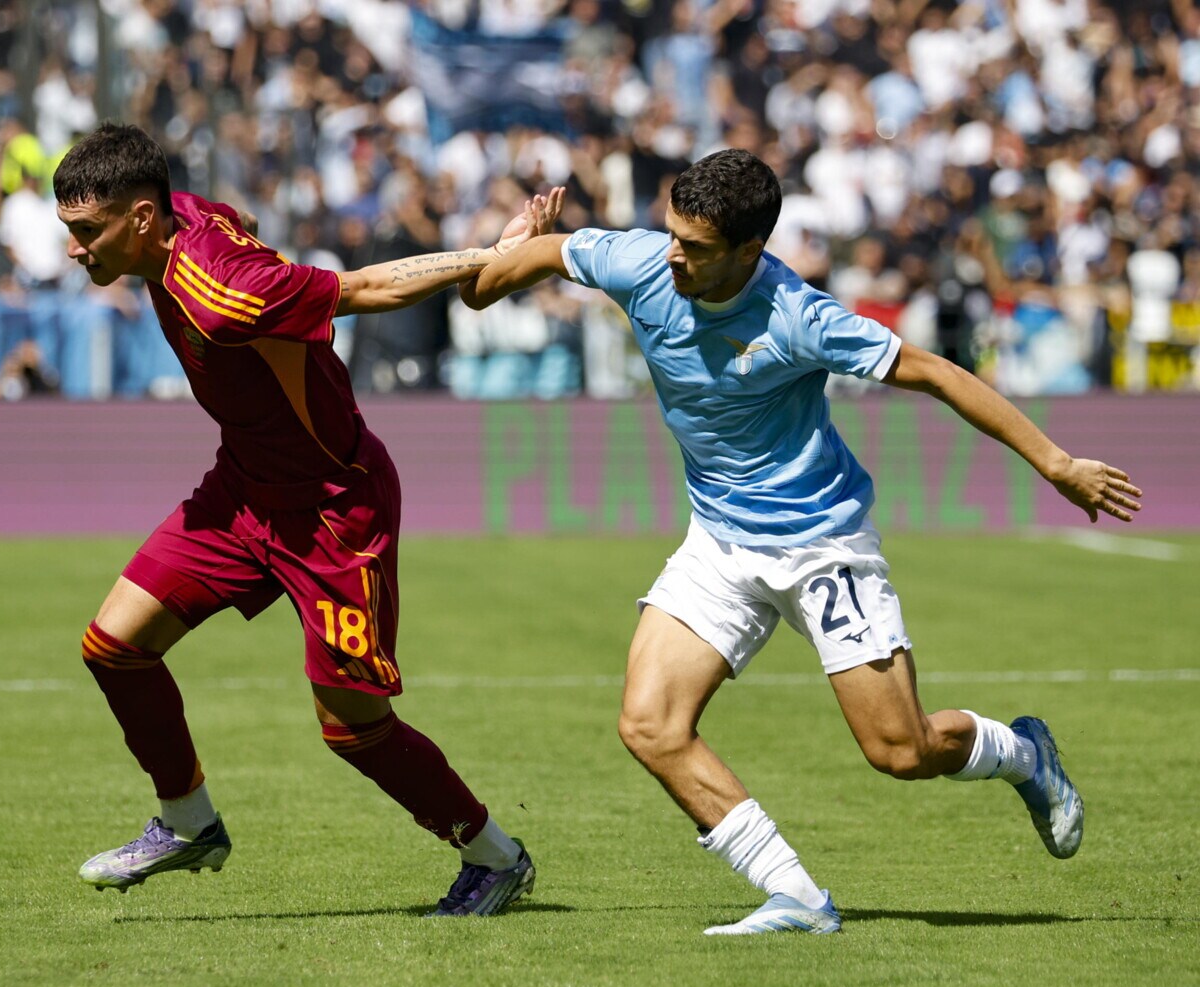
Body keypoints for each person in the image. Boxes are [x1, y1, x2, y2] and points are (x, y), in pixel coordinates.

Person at [464, 149, 1142, 935]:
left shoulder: (798, 315)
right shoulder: (638, 261)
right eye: (673, 234)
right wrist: (507, 247)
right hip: (720, 544)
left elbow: (936, 373)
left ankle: (1023, 752)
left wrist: (1057, 463)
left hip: (822, 544)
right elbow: (484, 290)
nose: (674, 256)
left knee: (901, 750)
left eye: (696, 247)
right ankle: (798, 896)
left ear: (750, 250)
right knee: (650, 723)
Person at [52, 122, 563, 916]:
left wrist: (488, 254)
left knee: (351, 725)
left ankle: (495, 856)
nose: (75, 249)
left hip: (333, 510)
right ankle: (189, 822)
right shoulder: (187, 214)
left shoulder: (226, 294)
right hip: (242, 490)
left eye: (87, 231)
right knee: (114, 645)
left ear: (143, 217)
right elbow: (243, 220)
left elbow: (367, 289)